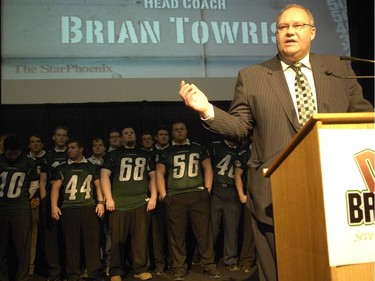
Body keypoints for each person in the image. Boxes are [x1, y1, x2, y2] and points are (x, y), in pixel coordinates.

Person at [178, 4, 374, 281]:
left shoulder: (338, 69)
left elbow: (364, 118)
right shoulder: (253, 76)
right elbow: (240, 128)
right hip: (275, 194)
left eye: (297, 26)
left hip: (339, 191)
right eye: (283, 27)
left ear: (313, 32)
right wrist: (207, 109)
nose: (290, 32)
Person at [156, 121, 220, 281]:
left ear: (186, 131)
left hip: (197, 195)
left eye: (182, 129)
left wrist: (207, 190)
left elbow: (208, 168)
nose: (179, 132)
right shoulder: (167, 152)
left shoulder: (198, 148)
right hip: (175, 197)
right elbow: (159, 173)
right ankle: (178, 268)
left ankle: (209, 265)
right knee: (177, 236)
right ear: (172, 133)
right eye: (176, 129)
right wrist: (164, 195)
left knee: (204, 233)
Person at [100, 127, 157, 281]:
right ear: (121, 138)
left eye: (132, 132)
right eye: (126, 133)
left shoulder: (145, 154)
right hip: (119, 203)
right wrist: (109, 198)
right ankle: (116, 271)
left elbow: (153, 177)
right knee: (118, 240)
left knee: (141, 239)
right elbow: (104, 175)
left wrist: (153, 197)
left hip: (141, 202)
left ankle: (140, 269)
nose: (129, 135)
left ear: (136, 136)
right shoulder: (113, 154)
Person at [50, 139, 106, 281]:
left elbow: (98, 186)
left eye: (72, 147)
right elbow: (55, 189)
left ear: (81, 149)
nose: (69, 150)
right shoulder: (62, 168)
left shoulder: (91, 167)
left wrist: (100, 202)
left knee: (92, 243)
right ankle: (73, 274)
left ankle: (94, 272)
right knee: (71, 243)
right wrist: (54, 206)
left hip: (88, 208)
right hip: (69, 209)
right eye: (68, 148)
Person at [0, 134, 39, 281]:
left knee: (22, 246)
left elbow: (34, 183)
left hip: (20, 209)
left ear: (20, 150)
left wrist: (25, 197)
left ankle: (22, 277)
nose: (12, 156)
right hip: (2, 208)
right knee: (2, 247)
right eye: (9, 153)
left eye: (15, 153)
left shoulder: (29, 162)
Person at [209, 139, 246, 271]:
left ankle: (230, 260)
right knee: (212, 227)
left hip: (232, 190)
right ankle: (208, 259)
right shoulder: (215, 145)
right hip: (216, 189)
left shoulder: (241, 150)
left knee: (232, 227)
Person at [40, 126, 69, 281]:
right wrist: (45, 200)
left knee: (68, 237)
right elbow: (43, 181)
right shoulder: (48, 156)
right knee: (51, 239)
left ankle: (68, 270)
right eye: (58, 135)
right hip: (50, 201)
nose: (61, 138)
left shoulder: (70, 153)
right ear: (53, 137)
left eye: (64, 135)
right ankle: (54, 272)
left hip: (68, 200)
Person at [150, 126, 170, 275]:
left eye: (165, 135)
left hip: (172, 196)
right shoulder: (149, 153)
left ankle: (173, 262)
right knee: (157, 234)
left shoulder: (173, 150)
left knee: (174, 232)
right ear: (156, 137)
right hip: (154, 198)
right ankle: (160, 264)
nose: (163, 137)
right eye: (160, 135)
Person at [234, 148, 257, 274]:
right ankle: (246, 261)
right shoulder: (246, 153)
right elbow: (237, 174)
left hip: (269, 193)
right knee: (249, 230)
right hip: (251, 195)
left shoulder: (269, 149)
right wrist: (241, 195)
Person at [28, 133, 47, 276]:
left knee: (48, 237)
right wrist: (30, 200)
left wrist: (42, 199)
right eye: (32, 142)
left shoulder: (48, 158)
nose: (35, 144)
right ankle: (30, 268)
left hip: (47, 202)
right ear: (28, 145)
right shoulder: (25, 160)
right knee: (31, 237)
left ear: (42, 144)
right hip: (30, 204)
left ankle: (48, 268)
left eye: (38, 141)